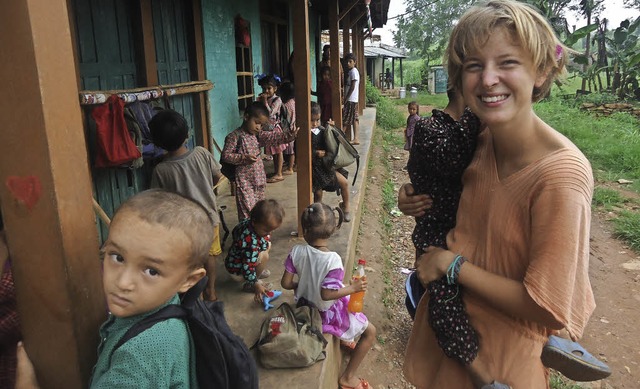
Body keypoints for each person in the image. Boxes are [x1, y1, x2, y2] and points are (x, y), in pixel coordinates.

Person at [403, 1, 597, 387]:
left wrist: (449, 265)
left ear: (541, 71)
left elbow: (547, 306)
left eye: (507, 62)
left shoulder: (560, 176)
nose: (488, 79)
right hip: (448, 350)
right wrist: (413, 199)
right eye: (474, 66)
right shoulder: (481, 136)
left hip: (499, 368)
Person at [16, 189, 212, 388]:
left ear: (189, 280)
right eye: (118, 257)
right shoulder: (163, 308)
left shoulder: (140, 353)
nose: (123, 282)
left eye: (151, 271)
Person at [280, 202, 376, 389]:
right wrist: (353, 287)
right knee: (370, 332)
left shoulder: (296, 251)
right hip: (324, 315)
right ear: (333, 229)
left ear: (305, 229)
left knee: (345, 300)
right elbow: (327, 294)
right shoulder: (333, 260)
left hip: (303, 308)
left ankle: (345, 338)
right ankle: (348, 378)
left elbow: (285, 283)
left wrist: (302, 285)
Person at [148, 109, 223, 302]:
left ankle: (192, 297)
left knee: (190, 261)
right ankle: (211, 291)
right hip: (209, 219)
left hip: (184, 227)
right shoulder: (201, 153)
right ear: (187, 135)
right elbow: (217, 176)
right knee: (209, 256)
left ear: (157, 143)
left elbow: (159, 199)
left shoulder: (161, 170)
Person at [221, 102, 298, 222]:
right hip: (244, 182)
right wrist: (243, 158)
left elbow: (274, 138)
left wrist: (290, 135)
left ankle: (259, 237)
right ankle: (248, 237)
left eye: (261, 125)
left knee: (260, 212)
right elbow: (226, 156)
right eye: (256, 123)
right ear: (246, 117)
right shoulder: (235, 137)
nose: (258, 127)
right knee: (247, 212)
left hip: (259, 180)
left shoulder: (257, 135)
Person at [224, 199, 284, 303]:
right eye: (266, 230)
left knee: (266, 244)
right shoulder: (250, 242)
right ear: (255, 221)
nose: (269, 233)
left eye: (272, 230)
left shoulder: (248, 222)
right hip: (239, 271)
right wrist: (256, 283)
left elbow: (234, 232)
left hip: (233, 262)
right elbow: (247, 266)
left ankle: (256, 272)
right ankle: (250, 283)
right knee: (264, 255)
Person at [310, 102, 351, 222]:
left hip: (327, 167)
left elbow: (335, 143)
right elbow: (300, 151)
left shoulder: (322, 130)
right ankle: (318, 214)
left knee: (344, 183)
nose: (315, 123)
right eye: (312, 120)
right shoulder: (304, 134)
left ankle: (346, 207)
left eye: (317, 120)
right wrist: (315, 153)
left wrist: (333, 129)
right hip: (314, 169)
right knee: (318, 193)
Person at [257, 74, 287, 183]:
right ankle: (276, 171)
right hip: (267, 130)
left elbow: (269, 113)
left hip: (275, 129)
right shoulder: (265, 98)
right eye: (264, 88)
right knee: (274, 152)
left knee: (278, 151)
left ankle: (279, 173)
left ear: (275, 89)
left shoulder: (277, 100)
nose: (266, 90)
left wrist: (264, 101)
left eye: (269, 88)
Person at [278, 81, 296, 176]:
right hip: (293, 127)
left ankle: (290, 168)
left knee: (290, 151)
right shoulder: (293, 102)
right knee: (290, 150)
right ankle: (290, 165)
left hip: (289, 129)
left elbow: (285, 118)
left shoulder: (286, 105)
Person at [342, 53, 360, 145]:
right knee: (354, 118)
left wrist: (346, 98)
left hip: (351, 99)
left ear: (354, 62)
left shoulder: (353, 71)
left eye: (350, 62)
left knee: (346, 118)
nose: (348, 63)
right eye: (347, 62)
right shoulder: (351, 71)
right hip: (353, 99)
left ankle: (340, 137)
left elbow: (353, 86)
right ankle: (356, 138)